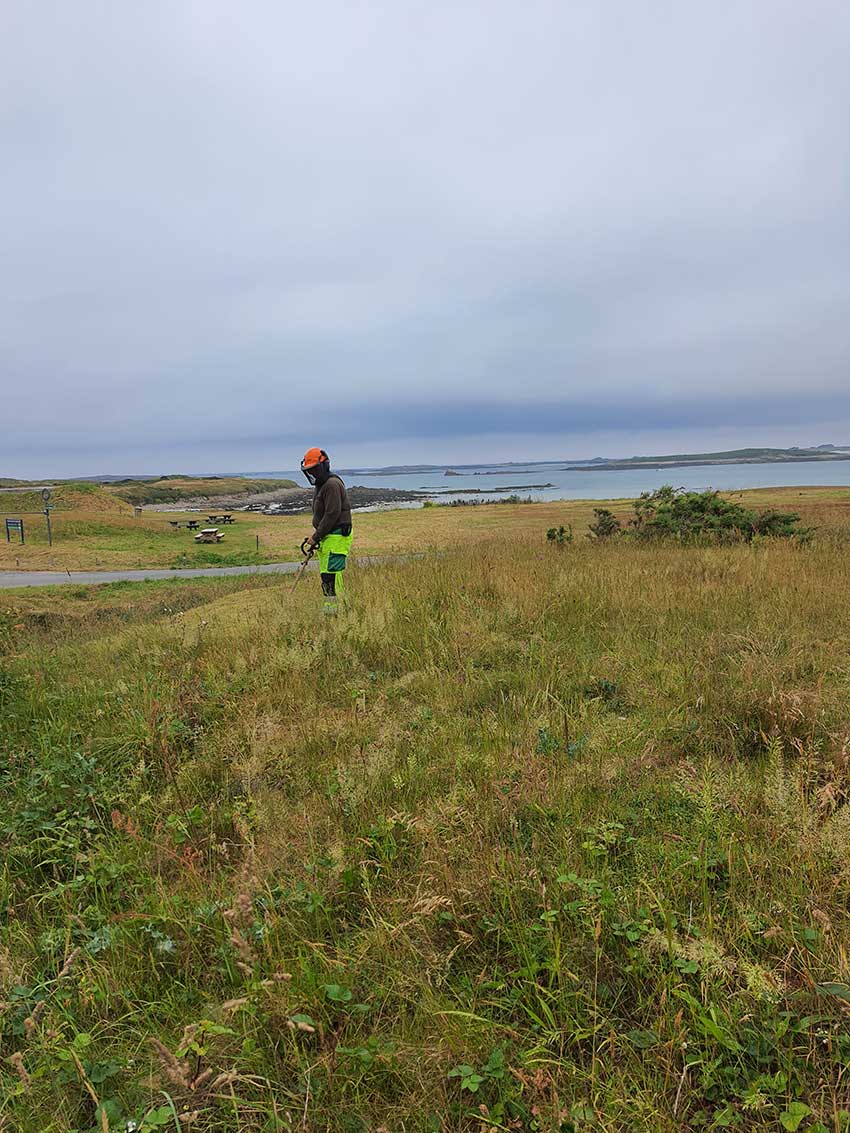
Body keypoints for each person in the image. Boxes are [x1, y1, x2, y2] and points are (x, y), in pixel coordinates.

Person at [300, 447, 353, 612]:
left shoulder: (332, 484)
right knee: (326, 575)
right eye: (310, 470)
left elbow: (332, 514)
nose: (313, 473)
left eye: (315, 469)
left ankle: (341, 610)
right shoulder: (321, 484)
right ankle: (331, 610)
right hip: (328, 537)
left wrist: (316, 536)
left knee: (333, 575)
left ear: (324, 466)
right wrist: (318, 536)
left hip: (337, 536)